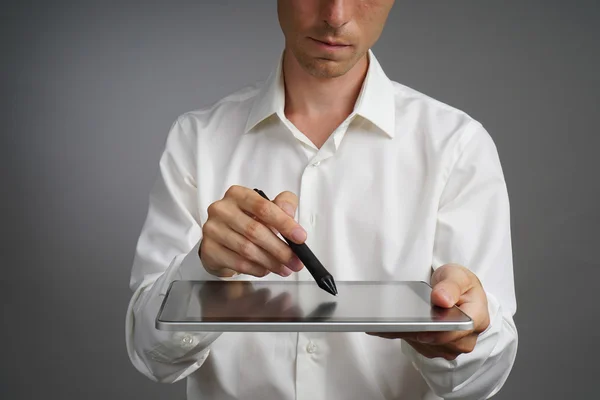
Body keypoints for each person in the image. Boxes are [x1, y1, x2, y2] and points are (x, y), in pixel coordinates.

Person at [125, 1, 518, 399]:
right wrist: (204, 268)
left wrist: (465, 337)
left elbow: (481, 379)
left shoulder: (457, 147)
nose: (336, 14)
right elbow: (151, 356)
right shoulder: (197, 140)